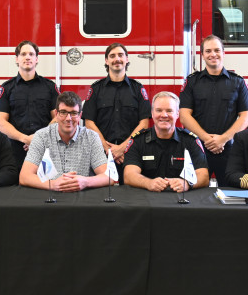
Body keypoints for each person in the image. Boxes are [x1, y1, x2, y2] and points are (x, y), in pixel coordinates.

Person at [179, 35, 248, 186]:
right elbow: (184, 115)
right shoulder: (192, 82)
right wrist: (207, 139)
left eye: (217, 50)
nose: (213, 54)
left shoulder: (238, 82)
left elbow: (246, 116)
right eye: (208, 51)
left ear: (223, 53)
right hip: (199, 148)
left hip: (229, 149)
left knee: (230, 192)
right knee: (195, 192)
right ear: (202, 55)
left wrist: (223, 139)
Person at [83, 43, 151, 183]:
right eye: (112, 56)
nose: (117, 59)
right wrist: (107, 148)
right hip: (101, 152)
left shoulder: (138, 89)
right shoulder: (95, 89)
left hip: (132, 152)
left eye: (120, 55)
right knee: (102, 191)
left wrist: (123, 147)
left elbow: (144, 123)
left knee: (132, 190)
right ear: (106, 61)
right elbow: (89, 122)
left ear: (127, 59)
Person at [19, 91, 112, 192]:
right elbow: (24, 177)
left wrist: (85, 182)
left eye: (74, 113)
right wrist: (53, 184)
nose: (68, 118)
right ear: (56, 114)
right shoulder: (41, 136)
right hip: (49, 197)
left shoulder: (91, 137)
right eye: (63, 112)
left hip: (82, 198)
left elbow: (109, 177)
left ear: (80, 115)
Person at [124, 91, 209, 192]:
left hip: (180, 199)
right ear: (152, 113)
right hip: (147, 198)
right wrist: (148, 183)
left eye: (169, 111)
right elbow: (129, 175)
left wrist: (187, 183)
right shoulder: (138, 141)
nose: (164, 115)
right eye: (159, 110)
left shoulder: (190, 140)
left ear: (177, 114)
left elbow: (203, 176)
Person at [0, 40, 59, 164]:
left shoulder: (50, 87)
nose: (27, 57)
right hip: (14, 152)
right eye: (23, 54)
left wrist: (39, 139)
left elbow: (58, 117)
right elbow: (0, 123)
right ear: (17, 59)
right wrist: (25, 139)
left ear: (36, 59)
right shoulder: (6, 88)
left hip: (46, 149)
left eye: (31, 54)